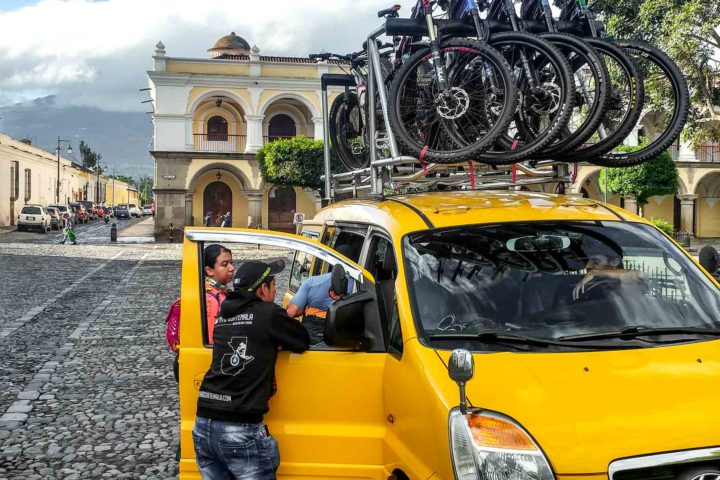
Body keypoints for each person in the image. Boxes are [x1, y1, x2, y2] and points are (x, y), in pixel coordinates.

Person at [193, 259, 310, 480]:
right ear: (263, 288)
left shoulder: (223, 315)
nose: (275, 291)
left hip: (203, 424)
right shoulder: (268, 314)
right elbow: (302, 339)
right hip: (239, 428)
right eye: (274, 285)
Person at [286, 248, 354, 345]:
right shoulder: (362, 284)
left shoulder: (312, 283)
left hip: (313, 334)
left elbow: (291, 312)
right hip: (346, 335)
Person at [204, 244, 234, 344]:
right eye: (225, 264)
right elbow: (211, 339)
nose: (231, 268)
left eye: (231, 263)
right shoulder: (210, 299)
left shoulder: (220, 291)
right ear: (209, 270)